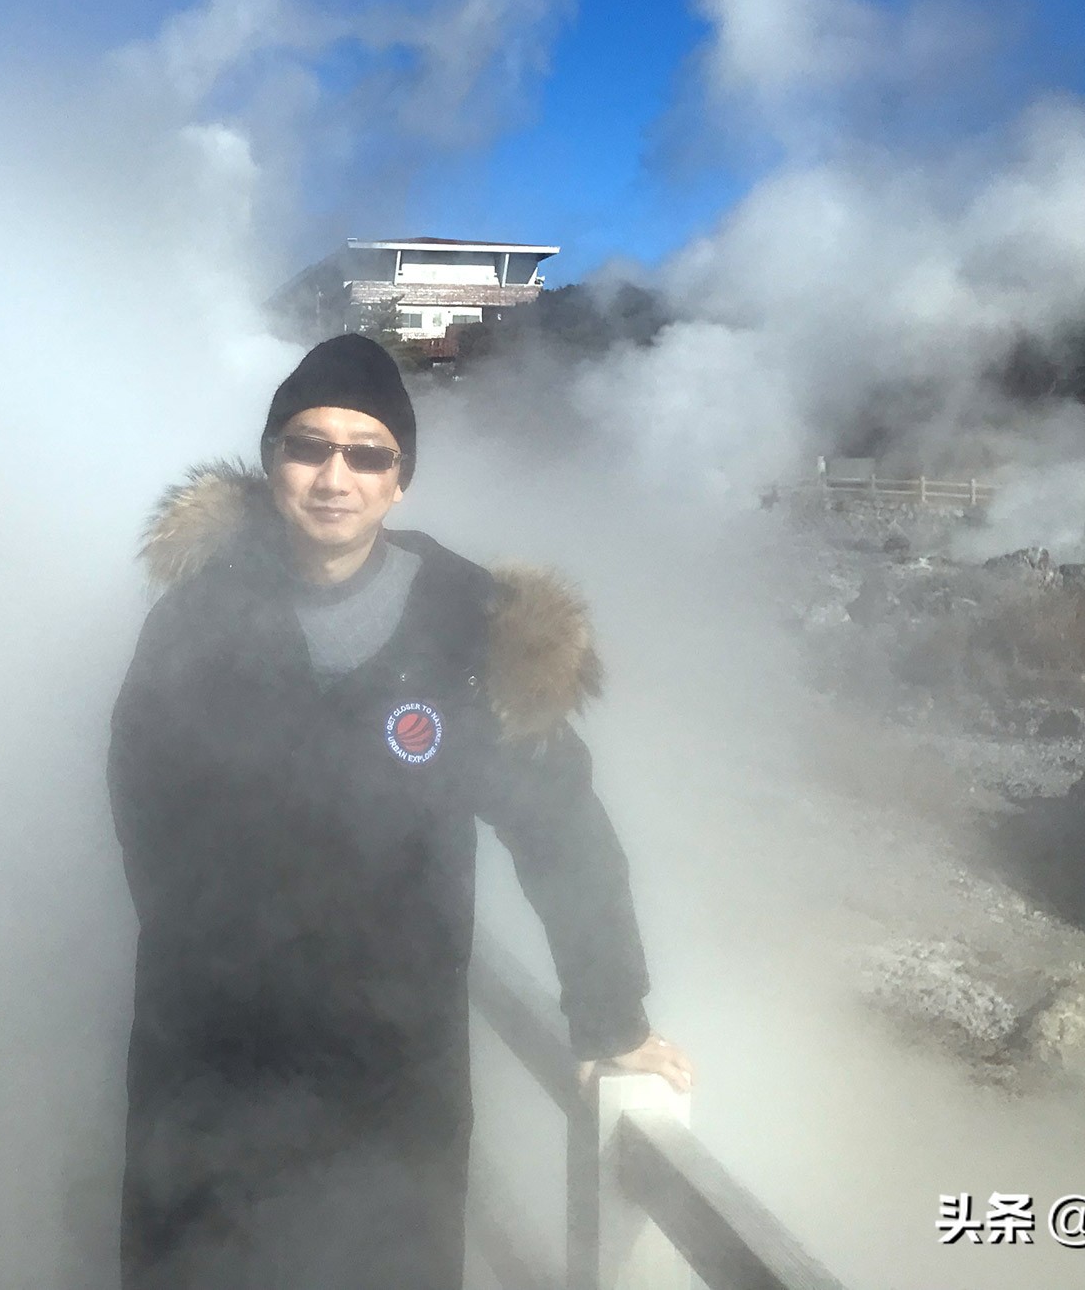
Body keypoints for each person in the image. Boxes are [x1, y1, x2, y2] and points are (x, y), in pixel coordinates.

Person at [108, 333, 691, 1289]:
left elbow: (561, 831)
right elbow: (138, 779)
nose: (334, 475)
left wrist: (610, 1015)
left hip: (388, 1055)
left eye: (367, 453)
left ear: (399, 482)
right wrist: (184, 930)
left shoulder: (471, 631)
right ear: (272, 461)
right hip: (209, 1038)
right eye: (308, 446)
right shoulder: (199, 614)